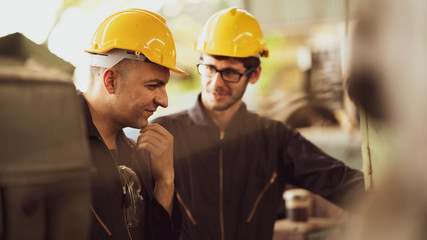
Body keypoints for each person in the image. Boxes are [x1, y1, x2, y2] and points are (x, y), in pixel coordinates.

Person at [152, 7, 365, 240]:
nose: (216, 82)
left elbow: (342, 183)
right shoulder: (166, 134)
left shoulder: (275, 138)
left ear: (254, 75)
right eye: (210, 68)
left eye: (231, 73)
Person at [80, 9, 187, 240]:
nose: (164, 101)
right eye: (152, 86)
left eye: (164, 86)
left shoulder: (137, 152)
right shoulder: (56, 148)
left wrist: (165, 180)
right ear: (111, 80)